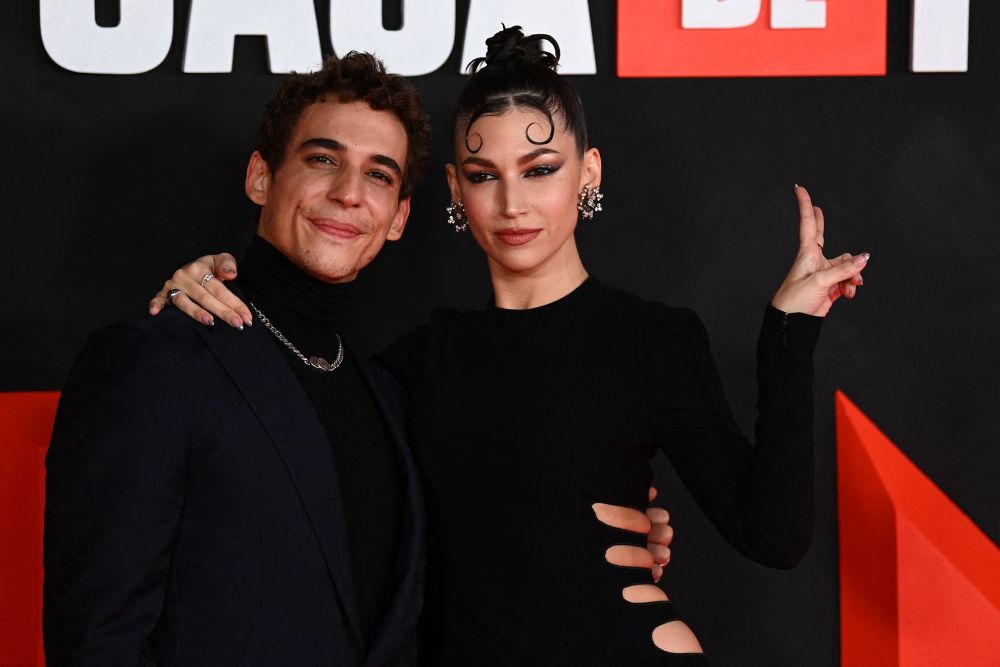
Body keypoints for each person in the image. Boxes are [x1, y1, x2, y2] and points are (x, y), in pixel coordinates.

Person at [149, 27, 868, 664]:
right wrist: (209, 280)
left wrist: (790, 330)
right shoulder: (412, 363)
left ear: (589, 172)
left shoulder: (654, 339)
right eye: (485, 176)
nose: (513, 203)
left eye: (540, 169)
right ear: (455, 190)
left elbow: (773, 535)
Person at [44, 51, 668, 666]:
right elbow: (97, 638)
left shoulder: (392, 391)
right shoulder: (153, 363)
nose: (348, 193)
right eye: (323, 159)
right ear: (261, 176)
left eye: (379, 175)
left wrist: (596, 519)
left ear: (398, 217)